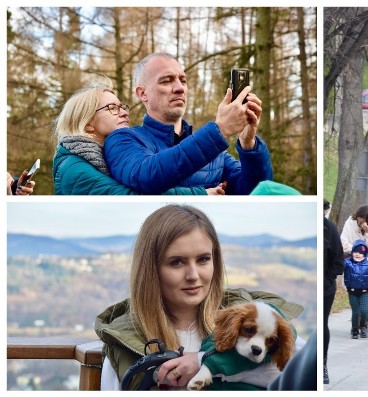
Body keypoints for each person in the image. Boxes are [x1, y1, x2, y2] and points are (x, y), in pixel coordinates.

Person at [95, 204, 303, 390]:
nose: (193, 276)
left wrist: (203, 360)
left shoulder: (248, 317)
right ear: (151, 270)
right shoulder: (126, 343)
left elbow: (301, 362)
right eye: (176, 262)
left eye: (203, 259)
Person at [103, 52, 273, 195]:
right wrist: (220, 129)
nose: (179, 88)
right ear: (142, 93)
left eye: (183, 81)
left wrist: (249, 145)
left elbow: (257, 192)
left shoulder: (214, 153)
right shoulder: (122, 139)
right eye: (166, 81)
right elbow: (147, 177)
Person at [53, 80, 221, 195]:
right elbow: (133, 197)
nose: (124, 113)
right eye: (112, 108)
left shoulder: (101, 158)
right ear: (88, 123)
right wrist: (200, 194)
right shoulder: (74, 168)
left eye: (122, 107)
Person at [323, 212, 344, 384]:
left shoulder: (330, 229)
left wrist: (326, 280)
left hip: (325, 289)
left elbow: (338, 261)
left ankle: (322, 365)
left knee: (322, 325)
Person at [343, 240, 368, 339]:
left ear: (365, 254)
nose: (357, 254)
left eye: (360, 253)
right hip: (352, 292)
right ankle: (354, 329)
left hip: (364, 292)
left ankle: (363, 327)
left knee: (364, 311)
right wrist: (342, 252)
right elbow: (339, 264)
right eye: (355, 252)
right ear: (352, 252)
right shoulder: (348, 263)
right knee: (356, 312)